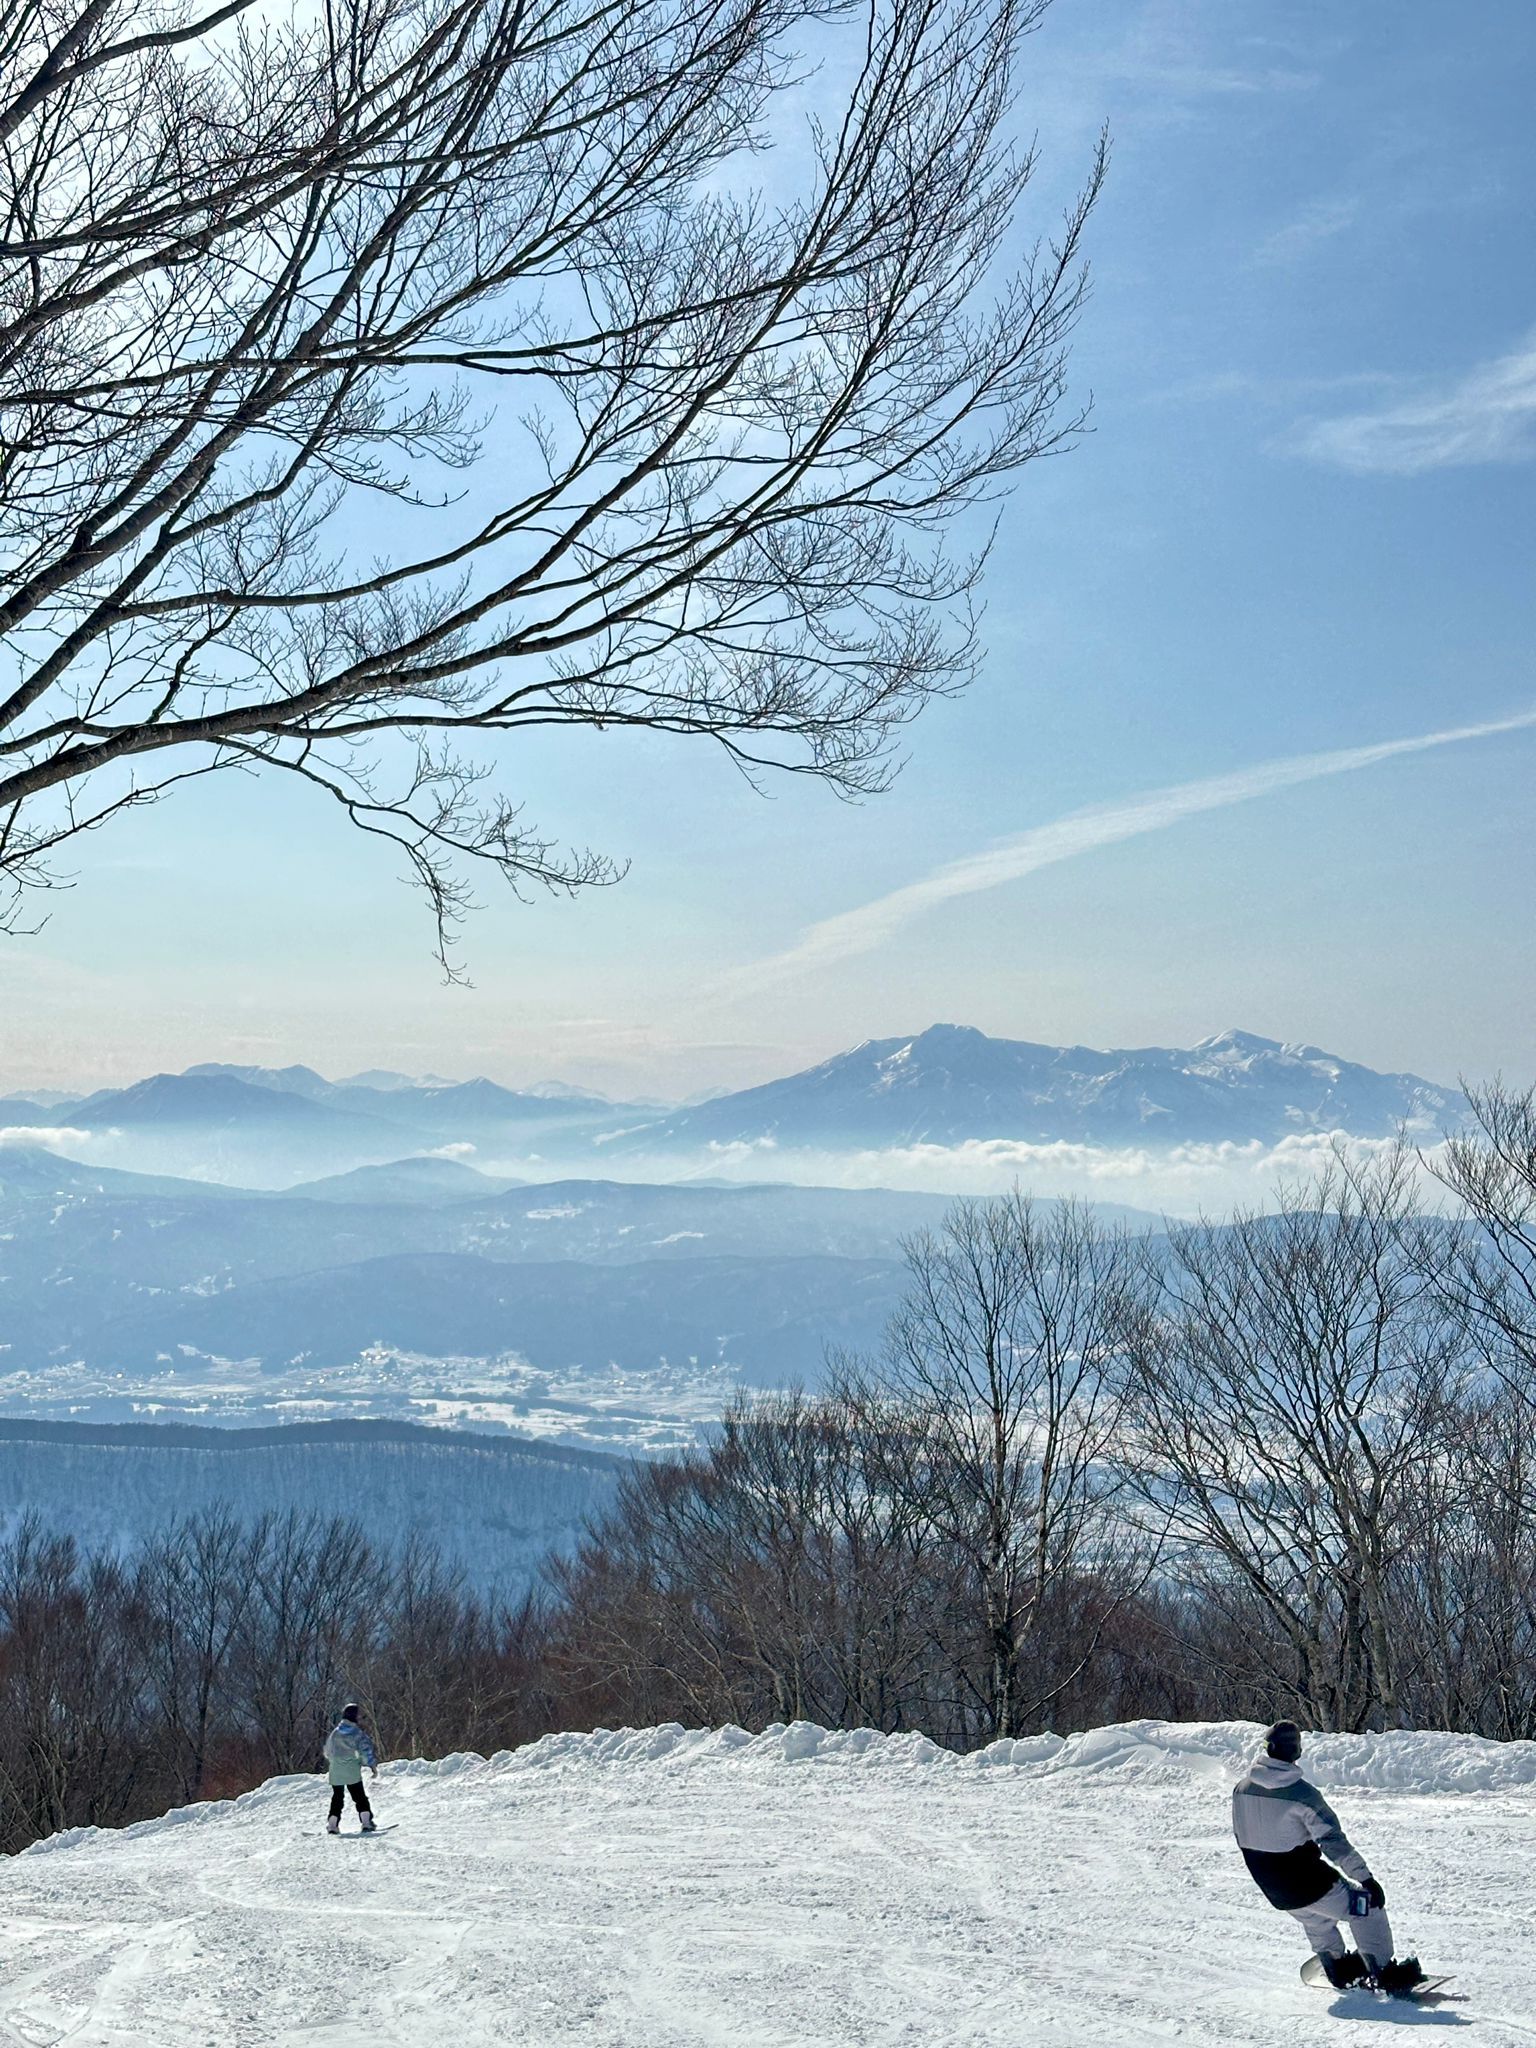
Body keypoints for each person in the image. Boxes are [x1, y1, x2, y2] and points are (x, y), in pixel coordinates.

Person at [1231, 1720, 1422, 1993]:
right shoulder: (1303, 1795)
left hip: (1274, 1890)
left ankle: (1337, 1968)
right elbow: (1334, 1844)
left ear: (1266, 1749)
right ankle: (1384, 1973)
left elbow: (1242, 1836)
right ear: (1297, 1752)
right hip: (1312, 1885)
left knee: (1317, 1919)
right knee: (1366, 1908)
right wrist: (1366, 1880)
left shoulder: (1241, 1789)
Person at [323, 1702, 378, 1834]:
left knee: (337, 1798)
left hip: (336, 1769)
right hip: (352, 1769)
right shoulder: (357, 1733)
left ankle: (332, 1825)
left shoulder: (335, 1733)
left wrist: (335, 1761)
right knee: (359, 1797)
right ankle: (366, 1822)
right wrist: (371, 1765)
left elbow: (327, 1751)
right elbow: (366, 1751)